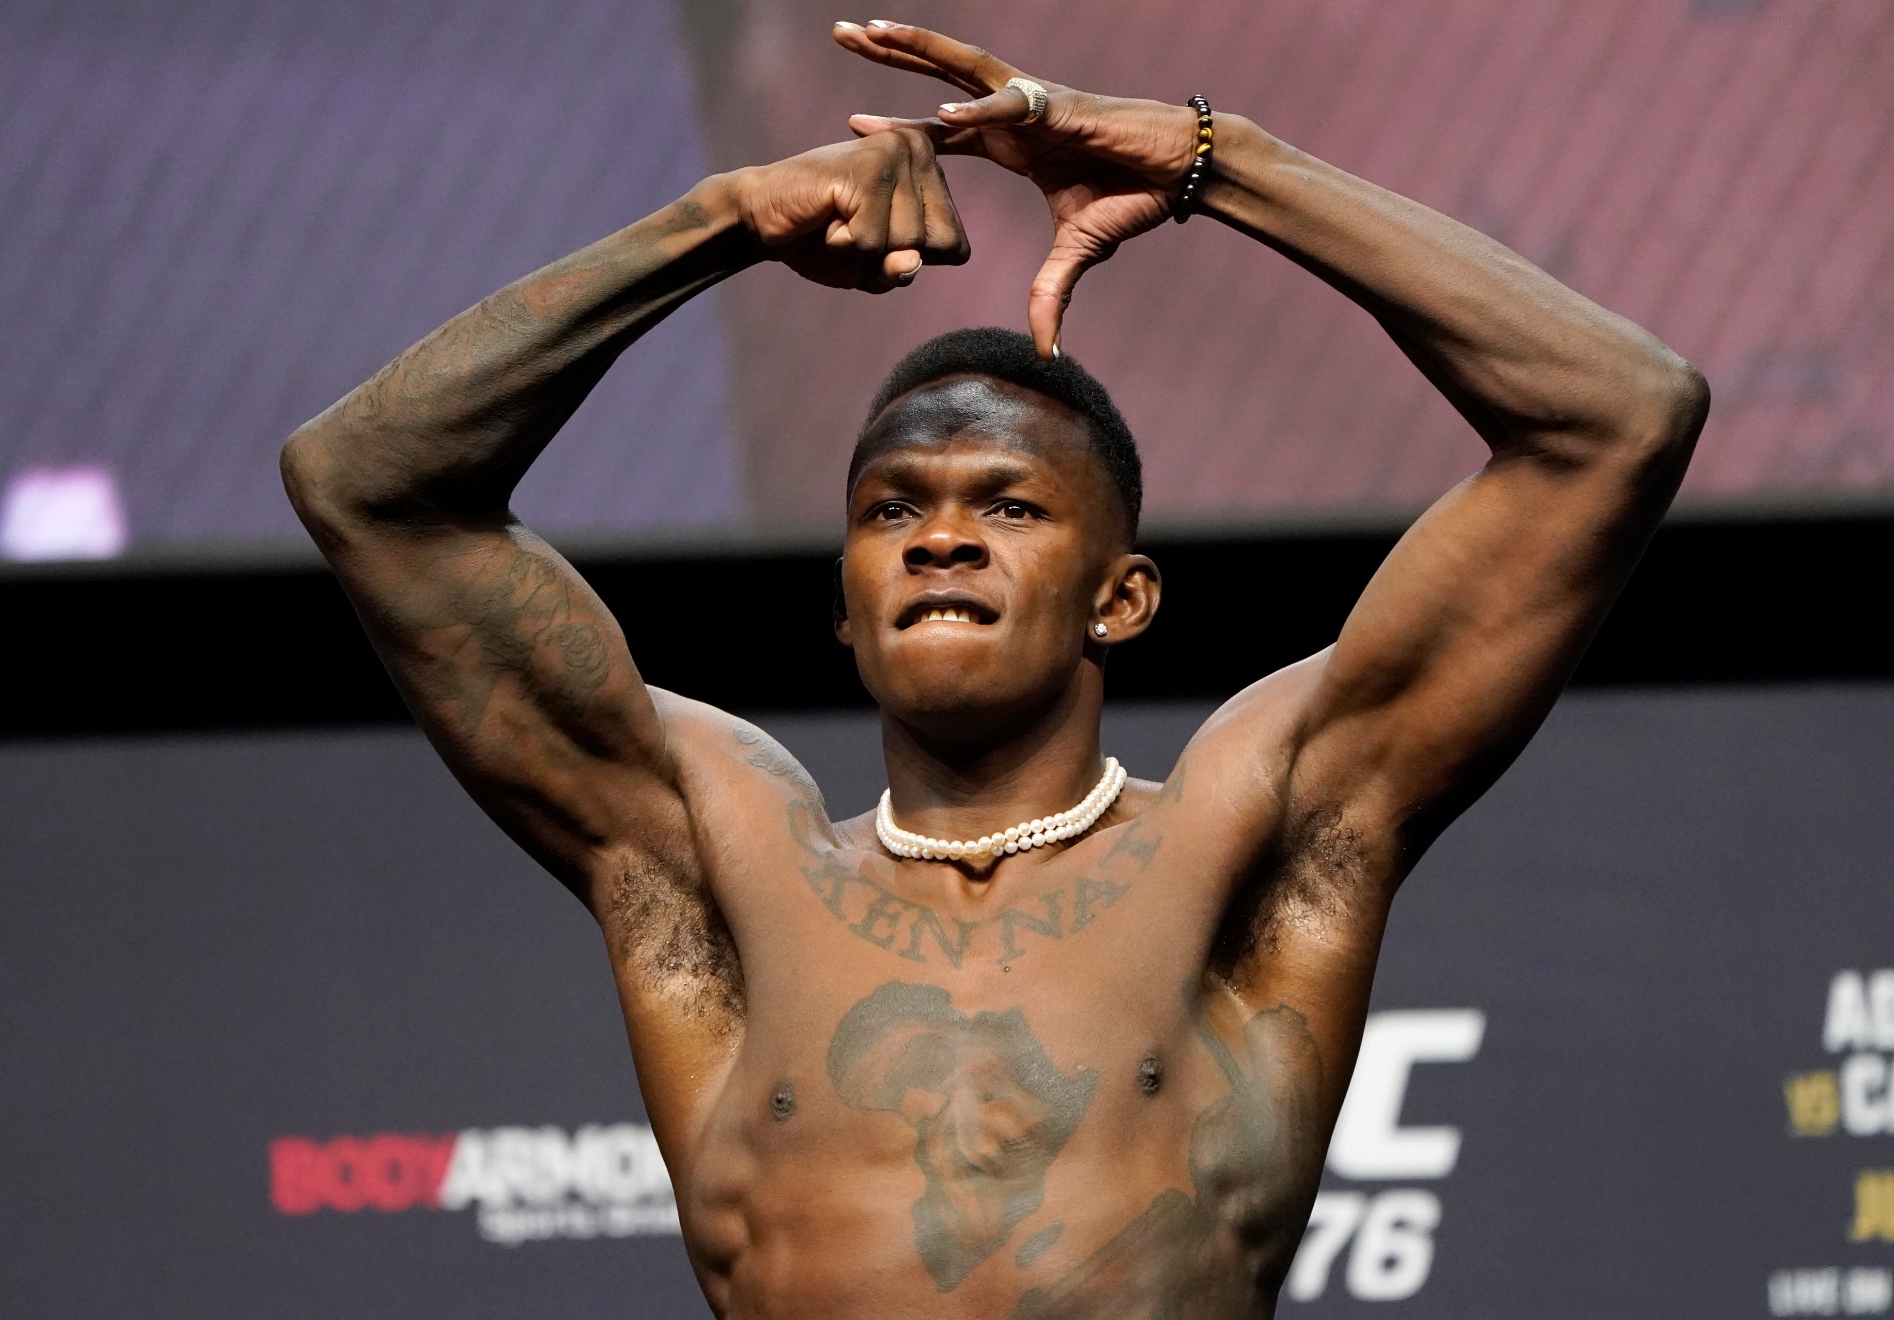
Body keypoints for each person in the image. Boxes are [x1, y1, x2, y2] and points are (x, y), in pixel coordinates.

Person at [281, 21, 1707, 1318]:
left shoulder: (1252, 835)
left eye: (1008, 507)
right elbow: (368, 486)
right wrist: (717, 221)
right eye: (893, 509)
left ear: (1122, 597)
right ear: (845, 604)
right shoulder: (710, 856)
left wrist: (1221, 159)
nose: (941, 539)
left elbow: (1618, 417)